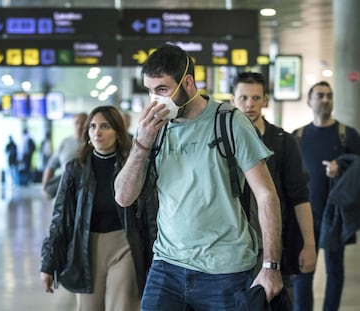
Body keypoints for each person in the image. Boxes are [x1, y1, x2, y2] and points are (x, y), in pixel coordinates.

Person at [114, 44, 283, 310]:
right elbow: (124, 197)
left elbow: (266, 195)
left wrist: (271, 266)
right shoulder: (153, 131)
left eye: (162, 90)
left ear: (188, 83)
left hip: (225, 271)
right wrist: (142, 144)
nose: (155, 100)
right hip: (167, 266)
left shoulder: (229, 121)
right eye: (150, 91)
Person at [40, 105, 146, 311]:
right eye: (93, 127)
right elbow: (60, 217)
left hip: (124, 244)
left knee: (122, 305)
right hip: (87, 246)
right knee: (89, 307)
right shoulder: (75, 169)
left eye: (105, 126)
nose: (97, 132)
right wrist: (47, 264)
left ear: (117, 131)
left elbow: (149, 212)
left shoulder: (132, 165)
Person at [232, 72, 317, 302]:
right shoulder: (225, 143)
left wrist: (309, 244)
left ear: (265, 101)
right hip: (234, 249)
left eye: (256, 98)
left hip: (275, 247)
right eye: (243, 98)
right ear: (233, 100)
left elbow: (299, 196)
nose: (249, 104)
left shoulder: (283, 141)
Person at [292, 81, 360, 311]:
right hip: (304, 217)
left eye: (329, 95)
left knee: (334, 271)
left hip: (334, 216)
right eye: (320, 95)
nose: (325, 99)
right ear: (309, 101)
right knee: (303, 272)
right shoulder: (298, 137)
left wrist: (340, 167)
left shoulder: (347, 135)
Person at [41, 113, 87, 198]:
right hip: (65, 189)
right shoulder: (65, 142)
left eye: (83, 123)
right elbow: (51, 165)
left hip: (86, 189)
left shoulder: (93, 144)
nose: (79, 126)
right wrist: (44, 187)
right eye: (77, 123)